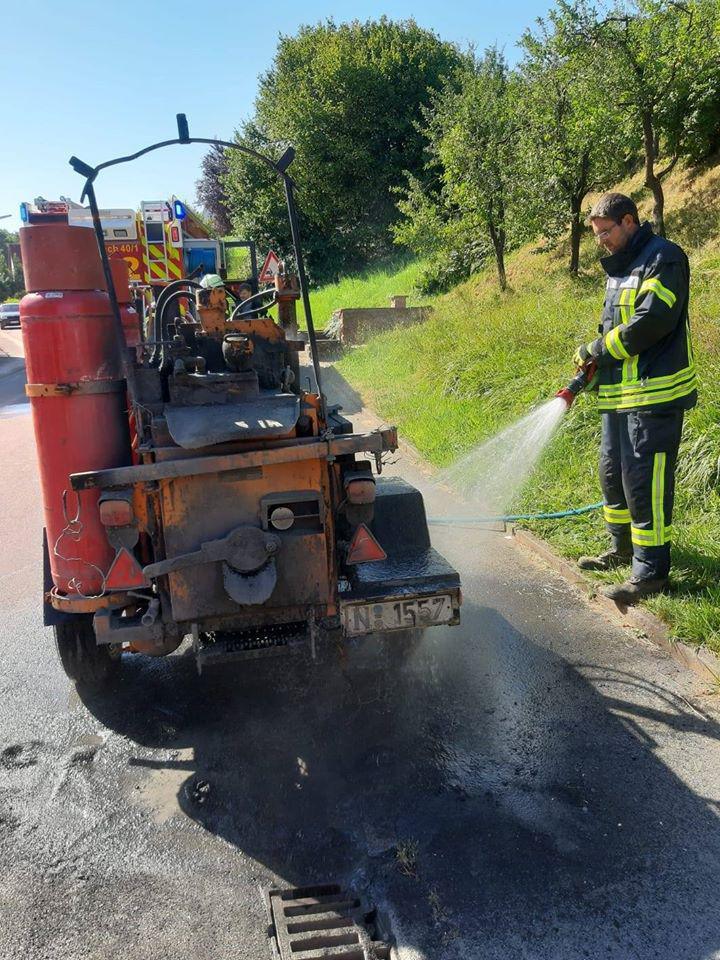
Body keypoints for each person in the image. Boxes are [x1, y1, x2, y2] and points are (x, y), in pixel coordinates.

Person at [574, 192, 697, 603]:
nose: (601, 242)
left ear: (629, 221)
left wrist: (600, 350)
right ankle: (621, 549)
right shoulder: (621, 266)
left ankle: (650, 574)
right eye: (596, 236)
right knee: (614, 475)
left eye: (605, 232)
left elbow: (652, 322)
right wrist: (589, 357)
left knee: (645, 483)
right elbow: (612, 324)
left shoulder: (665, 258)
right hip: (618, 395)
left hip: (653, 394)